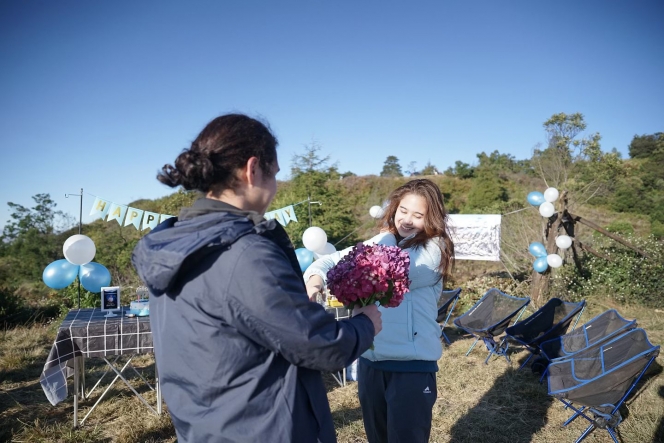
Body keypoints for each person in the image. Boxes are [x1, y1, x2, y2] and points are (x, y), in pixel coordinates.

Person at [131, 113, 381, 443]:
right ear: (252, 170)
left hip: (205, 426)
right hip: (263, 427)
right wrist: (365, 324)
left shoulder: (176, 245)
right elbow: (319, 346)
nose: (275, 188)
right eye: (274, 174)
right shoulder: (244, 253)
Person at [303, 178, 455, 443]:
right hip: (371, 363)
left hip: (412, 368)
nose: (407, 220)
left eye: (418, 215)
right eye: (402, 211)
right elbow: (329, 259)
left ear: (432, 218)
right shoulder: (383, 240)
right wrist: (315, 277)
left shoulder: (433, 250)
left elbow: (384, 271)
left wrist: (382, 237)